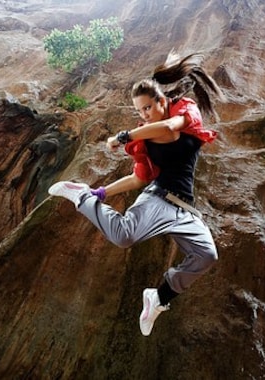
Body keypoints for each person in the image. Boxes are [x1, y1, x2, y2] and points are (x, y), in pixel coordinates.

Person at [48, 52, 224, 336]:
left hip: (185, 209)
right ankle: (82, 197)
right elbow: (139, 178)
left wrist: (124, 136)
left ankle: (158, 298)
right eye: (139, 111)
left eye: (147, 109)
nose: (143, 116)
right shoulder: (144, 139)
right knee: (123, 235)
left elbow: (169, 128)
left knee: (206, 255)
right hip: (159, 198)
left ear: (162, 101)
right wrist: (101, 192)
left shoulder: (185, 112)